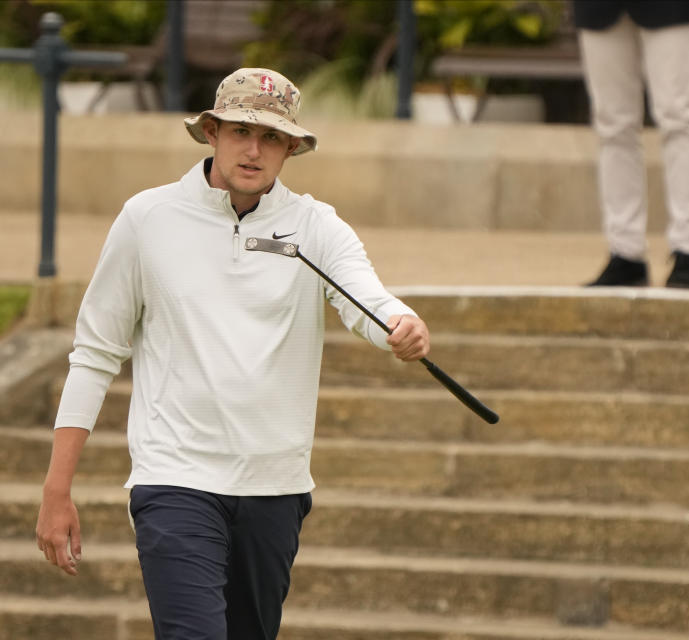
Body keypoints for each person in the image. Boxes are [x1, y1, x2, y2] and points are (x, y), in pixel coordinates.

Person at [34, 67, 431, 640]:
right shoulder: (147, 219)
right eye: (241, 130)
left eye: (271, 137)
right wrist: (56, 489)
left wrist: (400, 324)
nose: (253, 149)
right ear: (213, 131)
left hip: (276, 489)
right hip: (174, 479)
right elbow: (95, 353)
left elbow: (365, 298)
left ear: (291, 148)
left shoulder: (316, 226)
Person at [575, 0, 689, 288]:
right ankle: (625, 252)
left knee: (678, 117)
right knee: (612, 124)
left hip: (672, 7)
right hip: (599, 8)